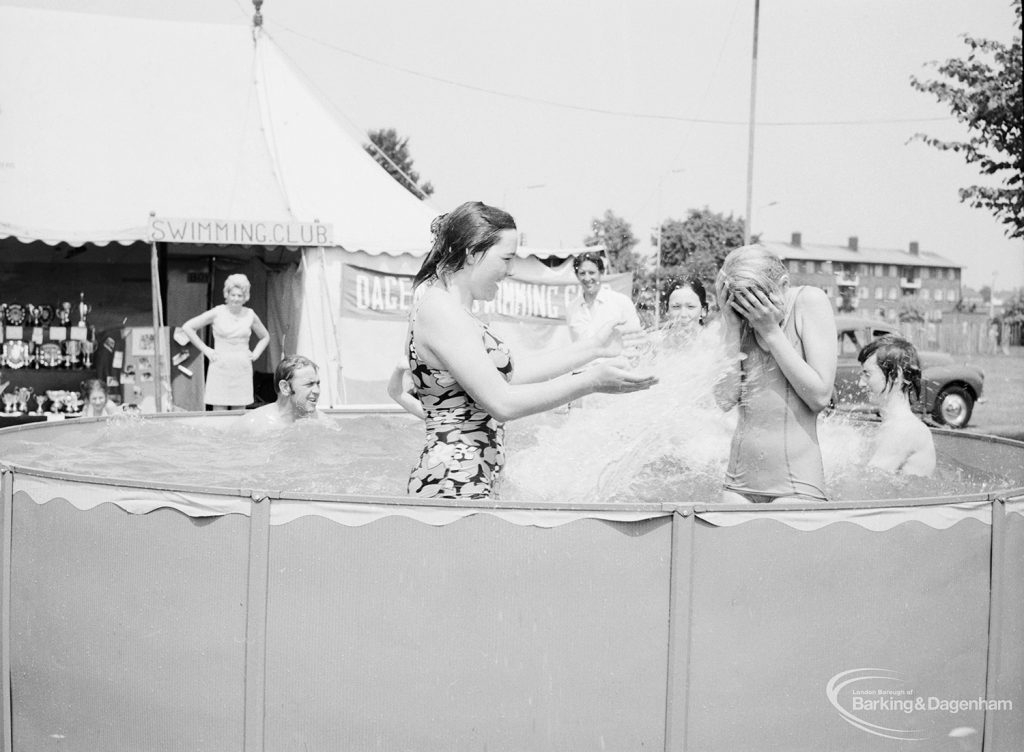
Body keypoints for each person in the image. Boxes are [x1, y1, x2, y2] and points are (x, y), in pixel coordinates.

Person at [406, 201, 658, 499]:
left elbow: (512, 375)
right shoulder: (442, 311)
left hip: (468, 482)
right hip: (451, 486)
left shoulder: (456, 310)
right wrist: (592, 382)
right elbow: (502, 402)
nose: (510, 271)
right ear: (473, 254)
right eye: (506, 259)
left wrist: (594, 348)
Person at [714, 245, 837, 503]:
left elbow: (820, 396)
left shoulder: (808, 301)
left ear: (782, 285)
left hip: (796, 485)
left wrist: (771, 331)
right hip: (739, 481)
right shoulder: (737, 316)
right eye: (742, 302)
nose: (751, 310)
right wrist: (732, 328)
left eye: (758, 300)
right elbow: (724, 400)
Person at [181, 273, 270, 411]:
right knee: (219, 412)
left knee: (239, 412)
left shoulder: (250, 314)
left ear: (245, 297)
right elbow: (188, 327)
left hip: (241, 367)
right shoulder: (217, 312)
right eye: (233, 295)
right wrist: (206, 350)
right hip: (220, 366)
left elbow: (265, 336)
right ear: (227, 295)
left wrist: (256, 353)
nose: (236, 299)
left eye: (240, 295)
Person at [858, 335, 936, 477]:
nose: (861, 384)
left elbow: (867, 483)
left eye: (867, 375)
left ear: (896, 375)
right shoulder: (894, 426)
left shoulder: (904, 430)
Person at [566, 251, 642, 342]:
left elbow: (637, 339)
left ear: (601, 272)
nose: (587, 278)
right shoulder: (572, 309)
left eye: (591, 273)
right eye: (582, 273)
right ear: (577, 275)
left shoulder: (621, 302)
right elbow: (575, 347)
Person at [233, 355, 322, 432]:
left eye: (317, 384)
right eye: (309, 384)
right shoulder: (252, 425)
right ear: (285, 388)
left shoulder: (322, 422)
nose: (317, 391)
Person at [662, 277, 710, 347]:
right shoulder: (655, 344)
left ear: (704, 310)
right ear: (667, 310)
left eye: (690, 307)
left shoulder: (715, 344)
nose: (683, 314)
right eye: (676, 307)